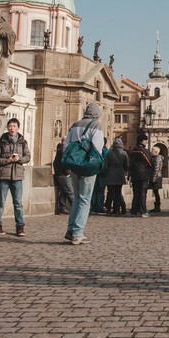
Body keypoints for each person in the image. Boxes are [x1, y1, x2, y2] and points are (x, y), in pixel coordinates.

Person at [63, 103, 106, 245]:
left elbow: (66, 145)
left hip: (74, 165)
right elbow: (97, 146)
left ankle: (70, 230)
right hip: (88, 166)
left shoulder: (75, 125)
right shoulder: (96, 125)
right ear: (97, 114)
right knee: (85, 199)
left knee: (77, 197)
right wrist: (95, 162)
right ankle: (77, 233)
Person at [0, 117, 31, 236]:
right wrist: (7, 160)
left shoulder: (23, 142)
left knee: (18, 203)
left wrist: (19, 160)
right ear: (7, 128)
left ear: (18, 128)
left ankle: (20, 227)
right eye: (10, 126)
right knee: (1, 203)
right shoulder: (0, 142)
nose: (12, 128)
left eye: (14, 126)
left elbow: (28, 157)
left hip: (17, 176)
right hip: (3, 175)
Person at [129, 133, 154, 217]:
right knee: (143, 193)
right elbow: (150, 162)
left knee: (136, 194)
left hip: (134, 175)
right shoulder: (143, 151)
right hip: (143, 174)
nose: (146, 142)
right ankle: (143, 211)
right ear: (141, 141)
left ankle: (134, 211)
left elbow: (130, 164)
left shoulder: (133, 150)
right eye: (145, 140)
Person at [103, 138, 130, 215]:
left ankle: (108, 209)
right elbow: (127, 165)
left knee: (110, 193)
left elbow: (105, 166)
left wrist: (105, 173)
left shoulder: (109, 153)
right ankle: (117, 210)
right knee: (118, 193)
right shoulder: (124, 153)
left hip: (110, 174)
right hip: (120, 174)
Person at [53, 142, 74, 214]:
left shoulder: (61, 149)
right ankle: (76, 209)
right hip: (63, 174)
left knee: (63, 191)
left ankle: (62, 207)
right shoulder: (63, 150)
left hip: (60, 173)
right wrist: (68, 172)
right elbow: (65, 162)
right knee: (70, 191)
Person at [149, 145, 164, 213]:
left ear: (155, 152)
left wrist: (153, 179)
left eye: (152, 150)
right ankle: (157, 207)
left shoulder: (157, 158)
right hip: (156, 176)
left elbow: (156, 169)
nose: (151, 151)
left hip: (156, 177)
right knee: (155, 192)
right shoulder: (154, 158)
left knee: (156, 192)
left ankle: (157, 207)